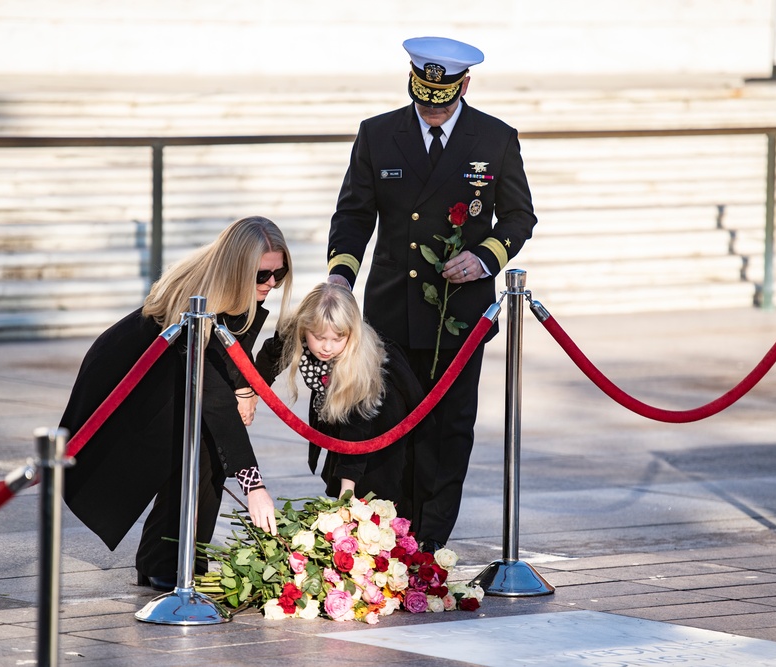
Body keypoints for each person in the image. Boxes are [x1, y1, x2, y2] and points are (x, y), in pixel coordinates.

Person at [326, 36, 538, 552]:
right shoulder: (378, 134)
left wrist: (485, 256)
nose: (432, 110)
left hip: (460, 316)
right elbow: (355, 215)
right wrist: (340, 278)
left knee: (447, 431)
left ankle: (428, 545)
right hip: (393, 311)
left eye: (441, 101)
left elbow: (518, 217)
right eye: (424, 100)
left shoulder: (495, 138)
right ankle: (387, 539)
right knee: (388, 425)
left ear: (464, 86)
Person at [59, 215, 292, 592]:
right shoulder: (202, 303)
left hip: (168, 381)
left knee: (206, 450)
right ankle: (167, 560)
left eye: (277, 275)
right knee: (200, 450)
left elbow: (232, 364)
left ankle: (175, 557)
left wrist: (251, 383)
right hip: (130, 385)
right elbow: (215, 399)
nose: (270, 284)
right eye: (260, 276)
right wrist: (254, 486)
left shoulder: (233, 290)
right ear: (236, 268)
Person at [255, 282, 427, 512]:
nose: (327, 347)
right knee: (338, 482)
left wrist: (347, 495)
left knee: (374, 491)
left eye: (337, 339)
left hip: (381, 415)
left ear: (351, 334)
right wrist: (248, 393)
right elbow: (269, 359)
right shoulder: (296, 330)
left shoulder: (360, 363)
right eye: (319, 337)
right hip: (340, 415)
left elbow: (356, 430)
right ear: (305, 327)